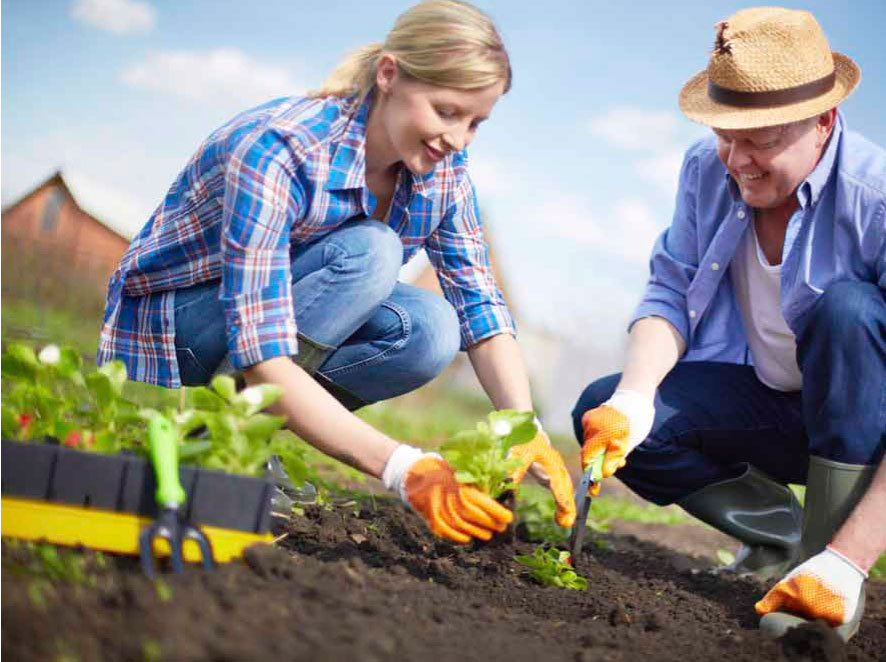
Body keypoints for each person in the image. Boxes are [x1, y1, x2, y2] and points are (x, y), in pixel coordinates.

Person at [98, 0, 575, 545]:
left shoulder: (445, 172)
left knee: (431, 331)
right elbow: (261, 348)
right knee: (372, 252)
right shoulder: (279, 147)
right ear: (389, 75)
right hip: (181, 321)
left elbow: (480, 305)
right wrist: (402, 468)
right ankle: (228, 443)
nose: (459, 139)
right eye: (446, 112)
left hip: (274, 331)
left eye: (476, 122)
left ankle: (217, 446)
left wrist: (524, 426)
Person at [571, 7, 885, 642]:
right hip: (769, 406)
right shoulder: (705, 169)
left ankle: (827, 569)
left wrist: (850, 558)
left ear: (822, 121)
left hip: (864, 428)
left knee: (848, 308)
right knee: (606, 404)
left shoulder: (875, 200)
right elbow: (669, 290)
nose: (737, 160)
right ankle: (785, 540)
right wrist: (634, 401)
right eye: (725, 134)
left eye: (762, 141)